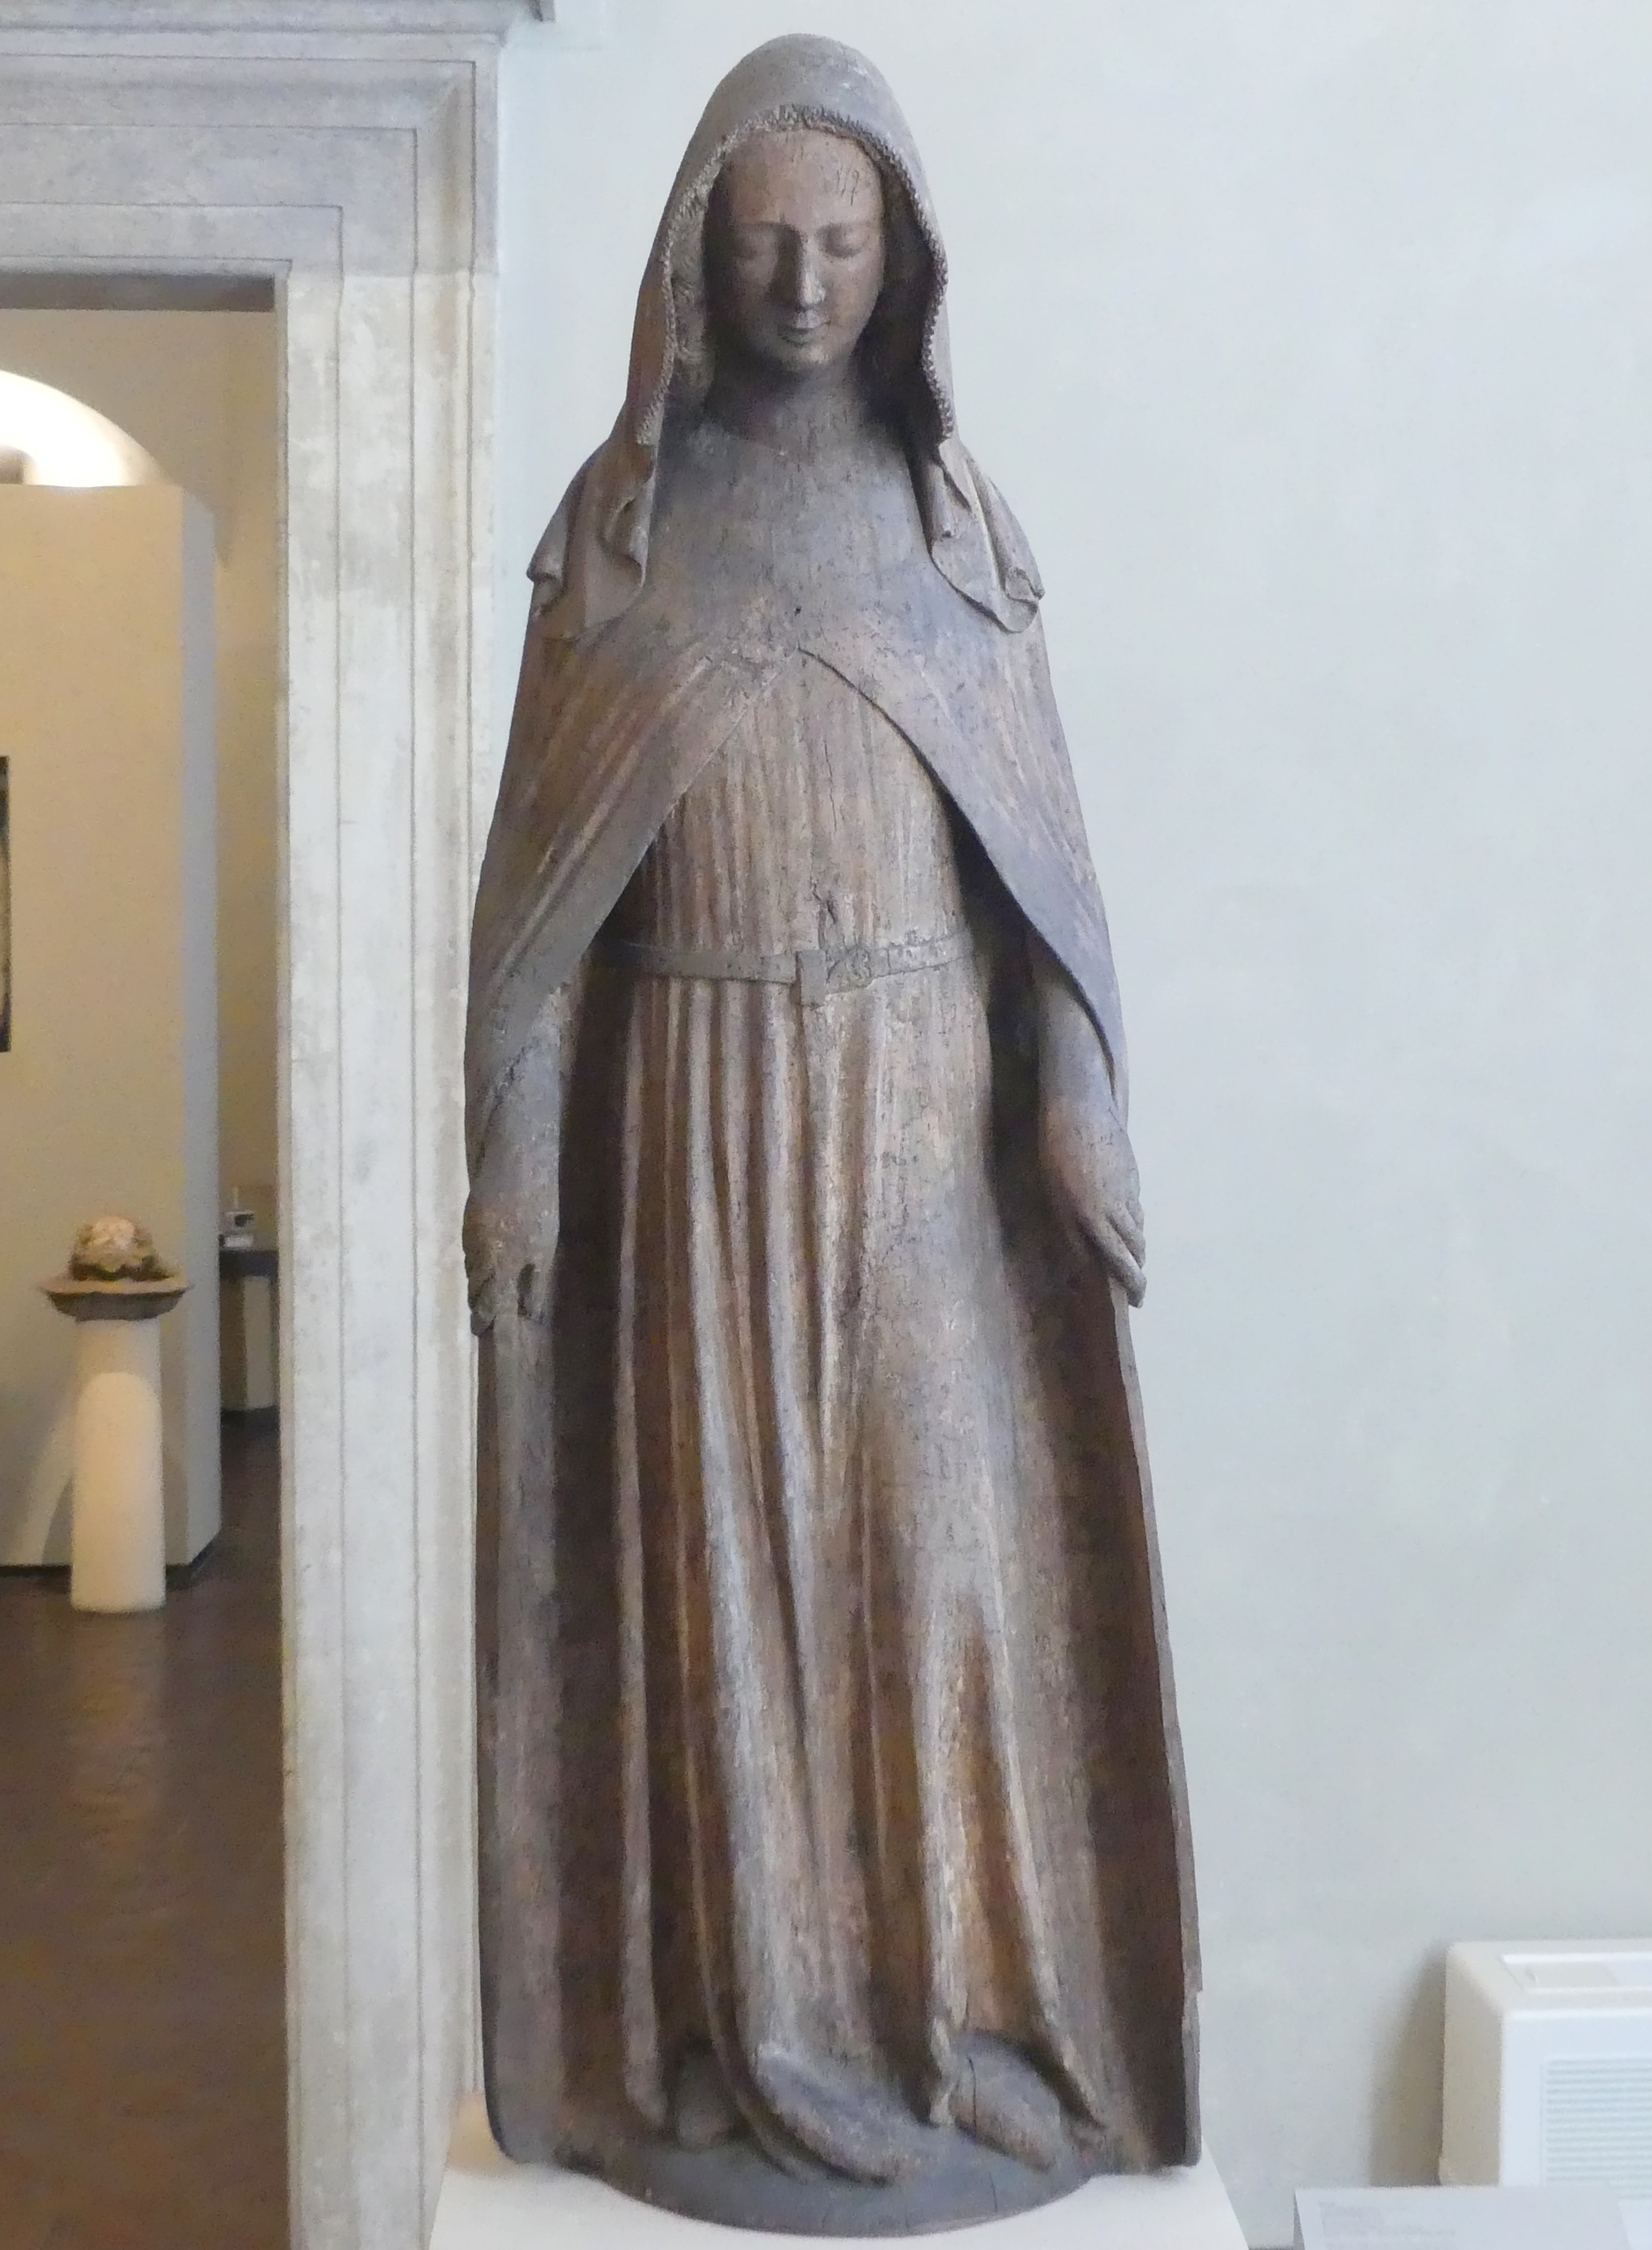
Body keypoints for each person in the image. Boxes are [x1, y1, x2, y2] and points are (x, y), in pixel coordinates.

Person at [464, 35, 1195, 2234]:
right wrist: (515, 1141)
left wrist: (1076, 1093)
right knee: (726, 1568)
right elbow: (535, 898)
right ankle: (745, 2023)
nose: (804, 285)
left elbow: (1043, 868)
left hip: (920, 1132)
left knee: (939, 1570)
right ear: (696, 261)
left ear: (907, 264)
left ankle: (958, 2020)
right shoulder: (621, 539)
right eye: (768, 243)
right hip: (691, 1121)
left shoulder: (953, 532)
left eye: (846, 245)